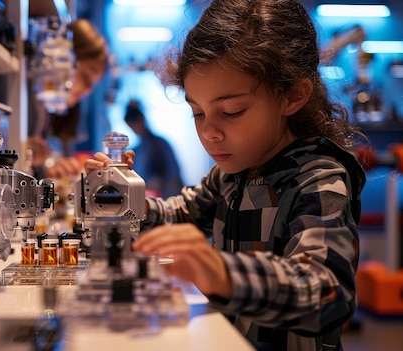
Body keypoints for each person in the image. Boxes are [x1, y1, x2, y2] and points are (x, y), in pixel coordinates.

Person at [85, 0, 366, 350]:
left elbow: (327, 295)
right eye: (198, 112)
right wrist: (119, 195)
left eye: (231, 111)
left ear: (293, 95)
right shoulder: (230, 175)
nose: (210, 132)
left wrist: (222, 273)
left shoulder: (318, 178)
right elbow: (177, 215)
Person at [28, 18, 109, 180]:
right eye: (85, 77)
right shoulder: (23, 97)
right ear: (62, 59)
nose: (87, 90)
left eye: (92, 85)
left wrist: (50, 168)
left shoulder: (46, 111)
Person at [124, 99, 183, 197]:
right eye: (131, 127)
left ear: (142, 119)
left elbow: (174, 174)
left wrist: (160, 183)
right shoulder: (136, 150)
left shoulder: (160, 144)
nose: (134, 129)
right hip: (147, 196)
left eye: (134, 125)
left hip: (167, 196)